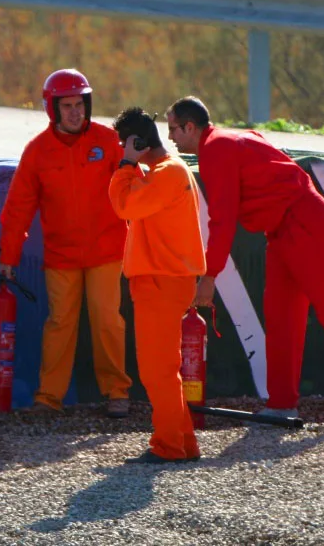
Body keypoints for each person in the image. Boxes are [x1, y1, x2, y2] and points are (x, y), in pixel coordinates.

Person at [167, 96, 324, 419]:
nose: (171, 138)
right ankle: (281, 403)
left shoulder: (216, 149)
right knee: (280, 316)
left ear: (190, 127)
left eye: (174, 129)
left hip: (300, 221)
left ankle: (283, 402)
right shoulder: (231, 138)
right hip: (284, 227)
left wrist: (209, 277)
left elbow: (222, 218)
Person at [0, 68, 133, 417]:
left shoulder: (108, 140)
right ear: (52, 108)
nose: (75, 112)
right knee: (60, 324)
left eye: (80, 104)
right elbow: (17, 210)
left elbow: (136, 188)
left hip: (107, 250)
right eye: (67, 105)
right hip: (61, 256)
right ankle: (49, 398)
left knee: (107, 320)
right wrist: (9, 255)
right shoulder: (37, 152)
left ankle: (117, 391)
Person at [109, 107, 205, 463]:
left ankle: (168, 447)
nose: (122, 151)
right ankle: (183, 443)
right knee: (165, 370)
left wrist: (126, 165)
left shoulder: (165, 174)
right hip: (164, 280)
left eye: (125, 145)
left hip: (161, 281)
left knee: (157, 371)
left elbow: (123, 206)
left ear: (135, 142)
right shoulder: (166, 172)